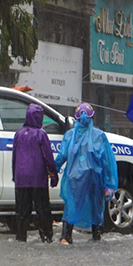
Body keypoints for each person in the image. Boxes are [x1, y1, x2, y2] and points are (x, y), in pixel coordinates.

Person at [54, 102, 118, 244]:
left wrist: (53, 169)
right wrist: (109, 183)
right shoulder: (99, 136)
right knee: (96, 206)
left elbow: (62, 156)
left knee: (71, 206)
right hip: (94, 177)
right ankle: (96, 236)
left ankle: (66, 236)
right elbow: (107, 161)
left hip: (74, 178)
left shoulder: (70, 135)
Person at [12, 103, 59, 242]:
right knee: (42, 209)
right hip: (38, 179)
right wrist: (53, 174)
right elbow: (48, 157)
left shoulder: (18, 134)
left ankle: (20, 237)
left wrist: (15, 176)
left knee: (21, 212)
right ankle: (46, 237)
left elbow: (15, 157)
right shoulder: (41, 134)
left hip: (21, 179)